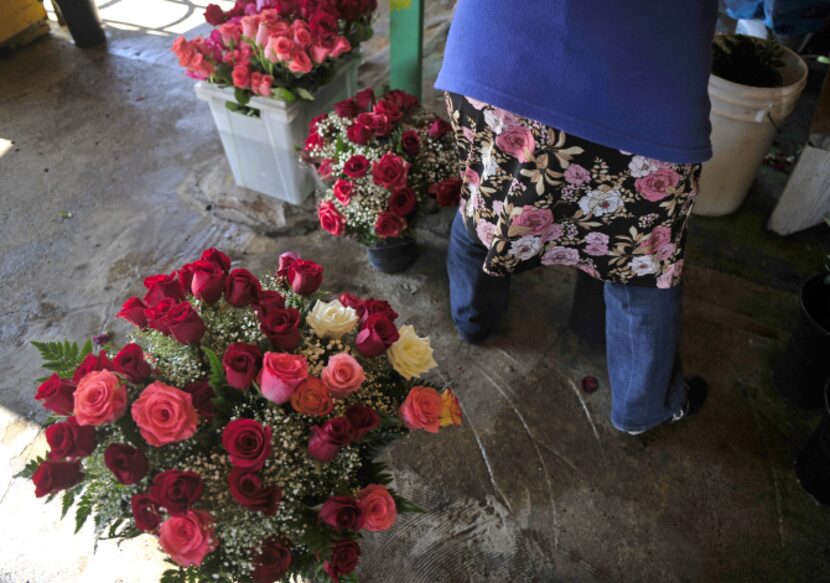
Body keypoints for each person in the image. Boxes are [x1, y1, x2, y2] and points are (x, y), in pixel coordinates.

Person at [434, 0, 717, 435]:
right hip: (644, 91)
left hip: (495, 56)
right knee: (642, 264)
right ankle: (641, 409)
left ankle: (472, 318)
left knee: (486, 203)